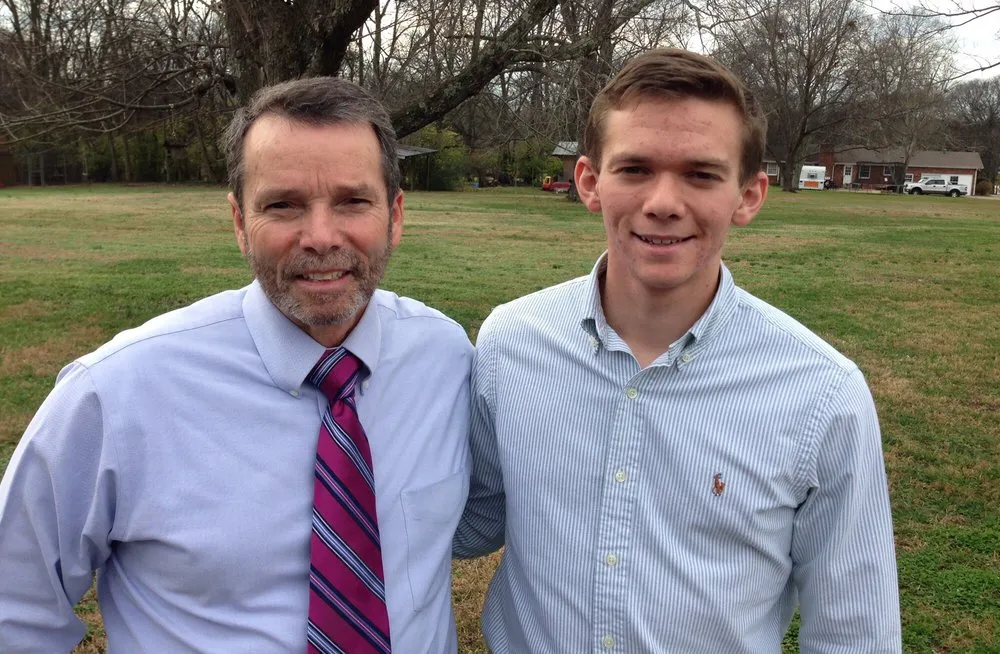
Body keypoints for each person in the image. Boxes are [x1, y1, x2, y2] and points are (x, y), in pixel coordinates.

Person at [0, 77, 473, 653]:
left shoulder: (444, 359)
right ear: (238, 221)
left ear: (395, 215)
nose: (321, 237)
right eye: (282, 205)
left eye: (353, 201)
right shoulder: (116, 394)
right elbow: (15, 605)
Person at [454, 48, 901, 652]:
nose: (663, 201)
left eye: (700, 173)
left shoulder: (822, 393)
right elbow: (472, 518)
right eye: (635, 168)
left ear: (748, 195)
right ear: (590, 182)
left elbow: (854, 631)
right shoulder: (512, 343)